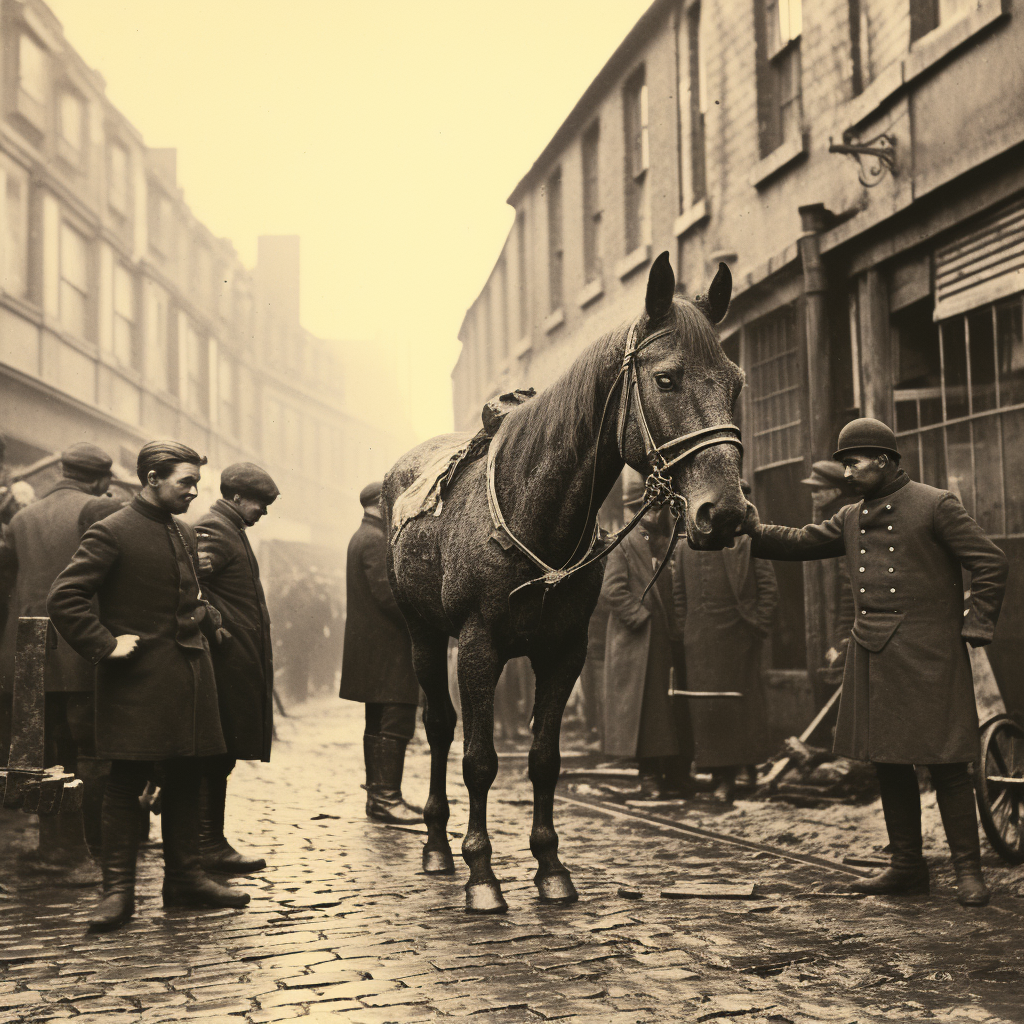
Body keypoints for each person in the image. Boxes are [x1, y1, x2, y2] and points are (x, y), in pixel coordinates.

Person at [742, 418, 1008, 907]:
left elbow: (990, 561)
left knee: (948, 764)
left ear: (884, 461)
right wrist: (749, 527)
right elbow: (801, 541)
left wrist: (978, 623)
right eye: (843, 463)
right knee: (889, 764)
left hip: (930, 655)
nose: (846, 472)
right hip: (874, 651)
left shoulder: (935, 504)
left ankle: (970, 872)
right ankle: (907, 866)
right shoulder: (849, 516)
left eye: (854, 462)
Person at [48, 440, 249, 932]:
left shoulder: (181, 530)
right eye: (186, 482)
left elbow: (184, 596)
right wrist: (104, 643)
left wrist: (208, 621)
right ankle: (117, 893)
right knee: (124, 784)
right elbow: (66, 596)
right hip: (135, 682)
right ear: (153, 478)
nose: (194, 492)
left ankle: (184, 880)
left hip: (188, 680)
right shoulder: (111, 530)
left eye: (197, 483)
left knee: (186, 777)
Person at [0, 443, 120, 881]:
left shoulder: (20, 518)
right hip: (83, 648)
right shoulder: (103, 509)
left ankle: (57, 848)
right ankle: (91, 850)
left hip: (30, 653)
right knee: (93, 752)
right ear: (101, 478)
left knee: (45, 755)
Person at [194, 462, 279, 875]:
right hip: (222, 660)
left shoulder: (230, 531)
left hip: (234, 658)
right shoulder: (214, 530)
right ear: (236, 497)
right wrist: (216, 626)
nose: (263, 510)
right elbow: (187, 585)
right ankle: (207, 844)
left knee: (222, 751)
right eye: (260, 502)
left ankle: (210, 841)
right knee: (216, 752)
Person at [674, 480, 777, 804]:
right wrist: (686, 629)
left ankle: (741, 770)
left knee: (739, 707)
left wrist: (756, 627)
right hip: (699, 641)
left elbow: (769, 590)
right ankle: (719, 774)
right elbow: (679, 596)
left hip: (737, 636)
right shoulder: (682, 547)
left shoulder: (748, 543)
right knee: (707, 710)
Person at [602, 471, 692, 799]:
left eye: (658, 508)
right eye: (646, 509)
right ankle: (649, 776)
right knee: (648, 712)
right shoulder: (622, 543)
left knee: (675, 710)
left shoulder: (673, 541)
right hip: (640, 642)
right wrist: (641, 617)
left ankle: (677, 773)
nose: (653, 515)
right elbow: (612, 590)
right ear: (635, 511)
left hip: (672, 637)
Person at [339, 480, 423, 824]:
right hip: (388, 648)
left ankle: (379, 797)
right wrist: (425, 615)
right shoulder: (375, 539)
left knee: (377, 722)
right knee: (395, 719)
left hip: (374, 649)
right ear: (380, 504)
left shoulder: (366, 535)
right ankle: (387, 798)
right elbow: (387, 596)